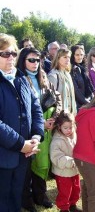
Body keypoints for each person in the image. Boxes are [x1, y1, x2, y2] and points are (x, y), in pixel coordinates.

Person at [0, 33, 44, 211]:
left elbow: (36, 108)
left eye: (13, 53)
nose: (11, 57)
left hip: (23, 157)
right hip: (3, 158)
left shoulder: (21, 78)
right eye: (4, 53)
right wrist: (20, 143)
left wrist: (36, 136)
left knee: (16, 200)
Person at [16, 47, 62, 211]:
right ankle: (26, 200)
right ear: (23, 61)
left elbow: (57, 99)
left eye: (38, 60)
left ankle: (40, 195)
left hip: (44, 129)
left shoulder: (44, 79)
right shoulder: (17, 79)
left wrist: (53, 119)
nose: (35, 63)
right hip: (25, 130)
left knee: (42, 164)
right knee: (27, 167)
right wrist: (40, 122)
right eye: (31, 60)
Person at [50, 111, 82, 212]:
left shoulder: (74, 135)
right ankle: (64, 208)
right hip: (62, 172)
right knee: (65, 191)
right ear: (59, 127)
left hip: (74, 170)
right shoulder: (57, 140)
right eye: (65, 128)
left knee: (76, 189)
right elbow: (56, 157)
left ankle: (72, 205)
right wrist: (70, 162)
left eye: (70, 127)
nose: (69, 130)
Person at [48, 48, 77, 115]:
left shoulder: (67, 74)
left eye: (69, 57)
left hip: (69, 115)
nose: (68, 59)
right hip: (59, 116)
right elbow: (51, 99)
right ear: (58, 58)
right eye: (65, 57)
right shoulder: (53, 76)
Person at [70, 45, 94, 111]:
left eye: (81, 54)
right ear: (72, 55)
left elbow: (88, 86)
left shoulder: (82, 68)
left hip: (87, 102)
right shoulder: (71, 69)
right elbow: (76, 91)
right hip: (78, 106)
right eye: (77, 55)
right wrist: (89, 103)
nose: (80, 57)